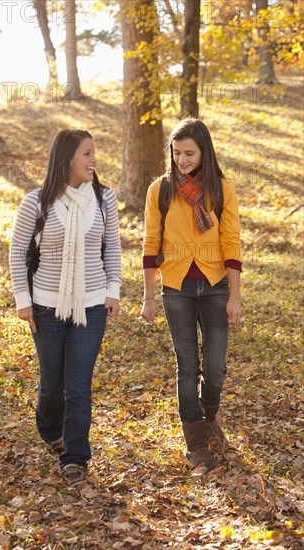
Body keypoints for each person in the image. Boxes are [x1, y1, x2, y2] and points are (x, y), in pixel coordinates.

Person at [9, 129, 122, 486]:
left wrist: (113, 289)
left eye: (94, 153)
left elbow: (112, 249)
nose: (94, 160)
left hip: (92, 307)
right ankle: (49, 429)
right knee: (52, 384)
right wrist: (23, 301)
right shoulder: (37, 202)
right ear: (67, 160)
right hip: (46, 307)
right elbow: (16, 252)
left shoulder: (105, 199)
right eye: (87, 154)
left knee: (78, 385)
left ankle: (75, 457)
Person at [141, 118, 242, 473]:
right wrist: (148, 295)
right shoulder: (161, 191)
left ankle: (209, 414)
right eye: (177, 152)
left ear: (204, 152)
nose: (182, 159)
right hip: (176, 288)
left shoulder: (222, 190)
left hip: (215, 285)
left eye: (189, 153)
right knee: (187, 368)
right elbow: (151, 243)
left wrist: (235, 296)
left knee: (215, 368)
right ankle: (196, 445)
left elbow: (231, 242)